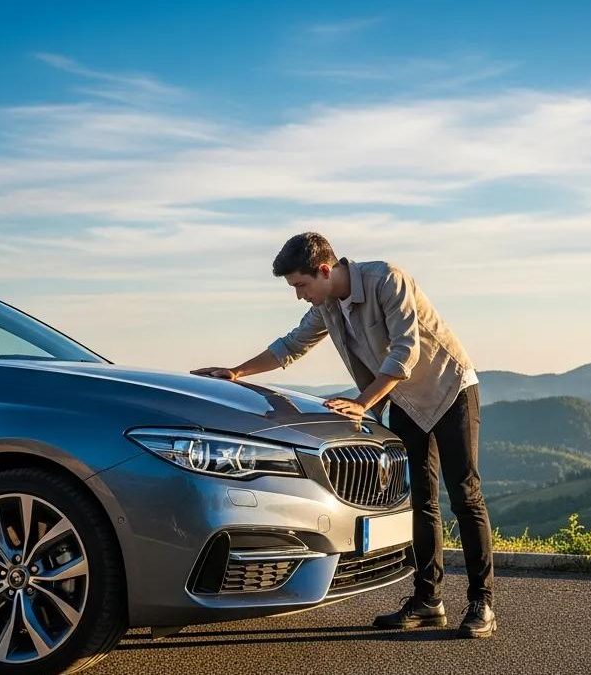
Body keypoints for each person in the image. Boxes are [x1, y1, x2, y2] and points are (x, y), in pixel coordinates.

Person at [191, 232, 496, 638]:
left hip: (449, 389)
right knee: (421, 500)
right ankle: (428, 601)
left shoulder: (388, 280)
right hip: (402, 398)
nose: (300, 296)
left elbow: (405, 352)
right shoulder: (328, 305)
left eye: (301, 285)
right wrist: (236, 372)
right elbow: (290, 345)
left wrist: (363, 403)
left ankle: (482, 603)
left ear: (323, 270)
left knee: (464, 494)